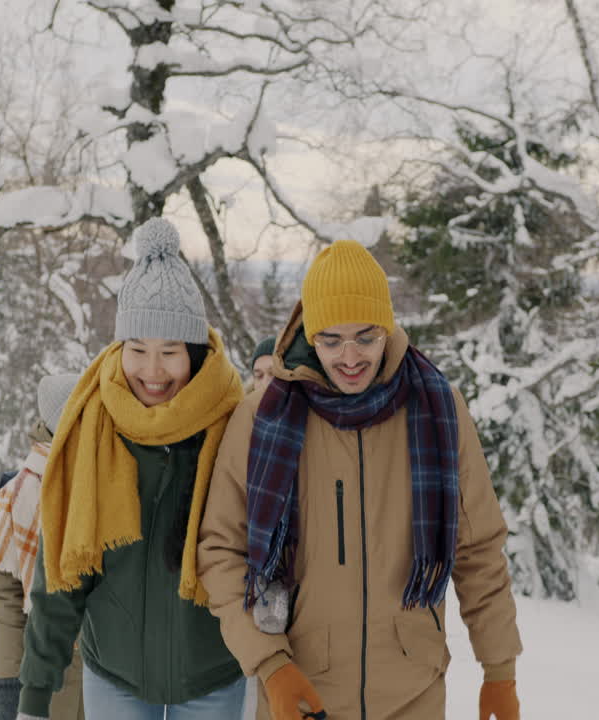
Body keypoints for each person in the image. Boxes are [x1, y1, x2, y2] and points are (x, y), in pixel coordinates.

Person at [197, 239, 524, 720]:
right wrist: (270, 664)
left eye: (366, 337)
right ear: (311, 334)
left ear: (388, 329)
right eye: (330, 340)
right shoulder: (262, 420)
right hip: (303, 691)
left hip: (413, 690)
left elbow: (477, 550)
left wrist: (500, 669)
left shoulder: (437, 408)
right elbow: (221, 550)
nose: (350, 356)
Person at [17, 217, 248, 720]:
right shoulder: (93, 426)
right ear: (120, 349)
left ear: (195, 353)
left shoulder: (234, 423)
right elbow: (59, 572)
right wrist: (36, 690)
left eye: (170, 353)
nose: (152, 371)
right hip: (116, 677)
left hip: (212, 675)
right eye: (138, 351)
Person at [0, 375, 85, 720]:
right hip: (45, 675)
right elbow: (9, 597)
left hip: (110, 677)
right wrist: (7, 682)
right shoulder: (19, 492)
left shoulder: (114, 480)